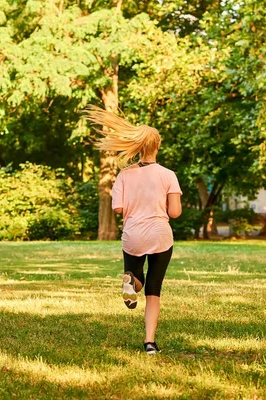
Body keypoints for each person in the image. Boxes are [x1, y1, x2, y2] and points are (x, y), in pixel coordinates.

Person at [84, 106, 182, 355]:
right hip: (160, 234)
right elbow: (175, 213)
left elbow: (117, 208)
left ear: (137, 147)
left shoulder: (124, 175)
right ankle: (150, 343)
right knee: (154, 288)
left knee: (136, 277)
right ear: (157, 146)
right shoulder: (168, 175)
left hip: (134, 235)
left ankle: (130, 280)